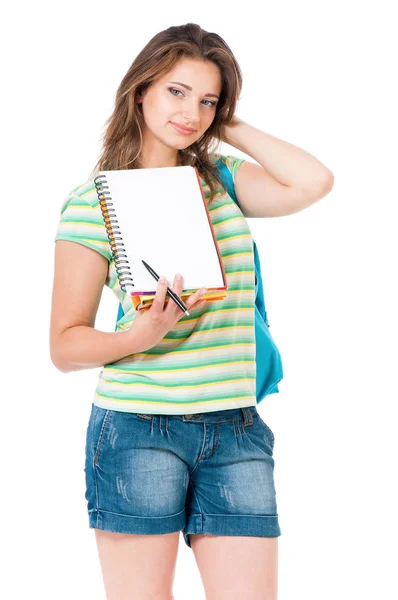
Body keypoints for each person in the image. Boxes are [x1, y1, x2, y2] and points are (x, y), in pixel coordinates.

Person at [50, 22, 333, 600]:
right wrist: (144, 332)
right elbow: (64, 345)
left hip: (236, 430)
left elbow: (313, 181)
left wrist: (226, 122)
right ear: (142, 90)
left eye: (207, 99)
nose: (192, 112)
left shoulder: (223, 183)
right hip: (138, 430)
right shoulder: (91, 204)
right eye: (177, 92)